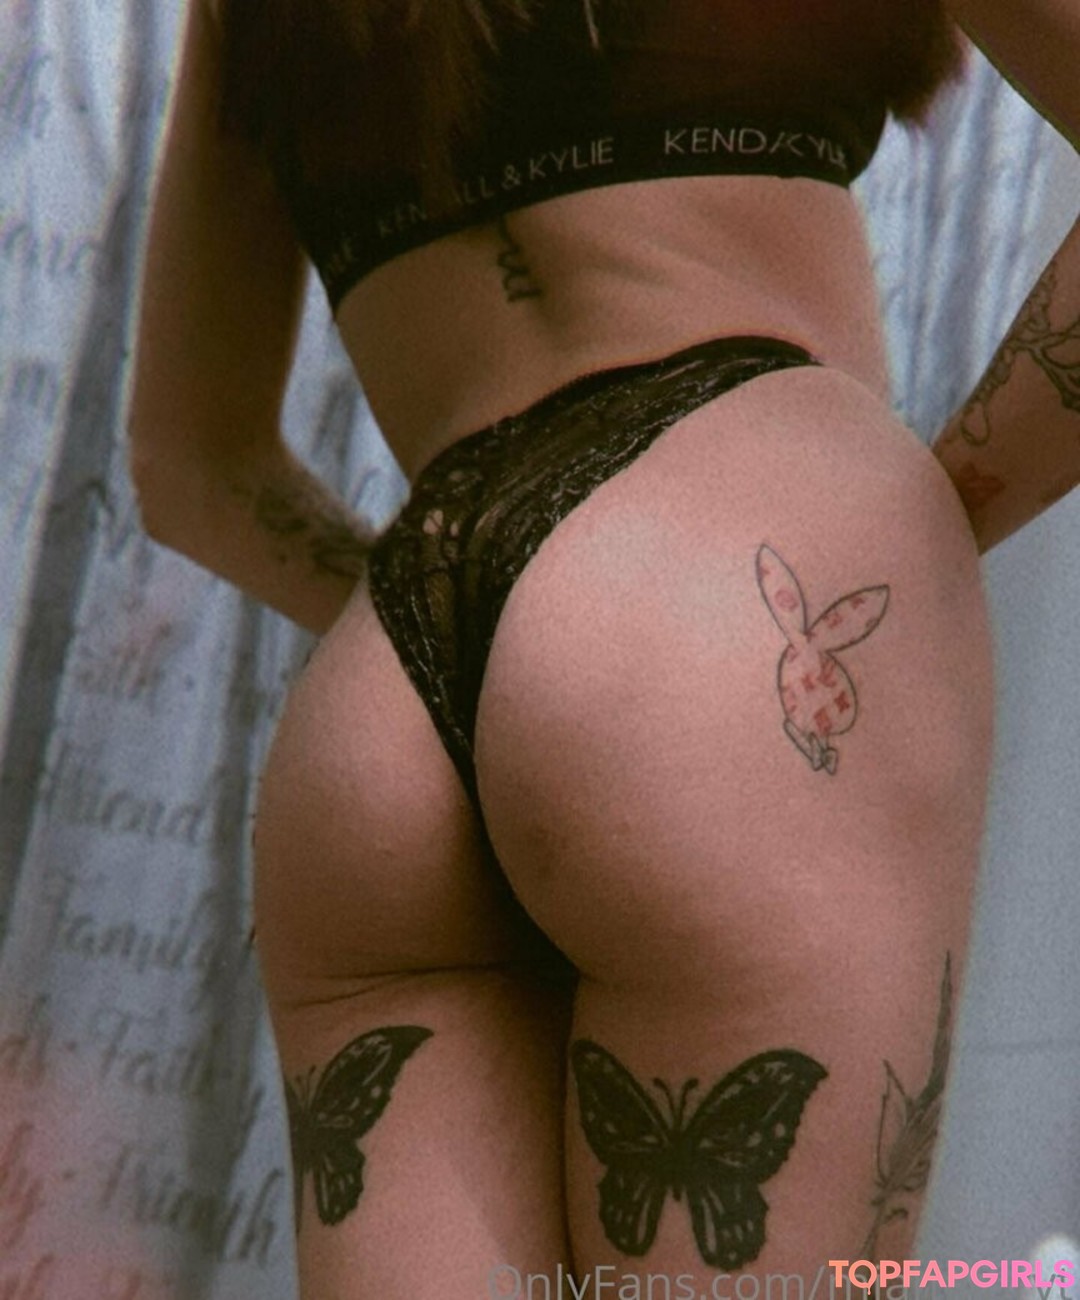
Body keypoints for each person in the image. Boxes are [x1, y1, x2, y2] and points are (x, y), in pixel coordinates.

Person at [128, 1, 1080, 1295]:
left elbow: (190, 470)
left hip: (386, 702)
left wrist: (481, 623)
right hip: (738, 567)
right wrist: (923, 520)